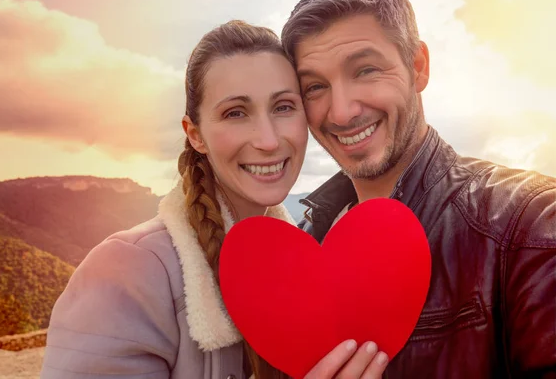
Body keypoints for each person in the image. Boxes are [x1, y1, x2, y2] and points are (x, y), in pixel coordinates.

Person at [40, 20, 389, 379]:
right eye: (235, 113)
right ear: (195, 135)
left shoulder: (297, 264)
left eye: (284, 106)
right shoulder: (126, 274)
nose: (268, 140)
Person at [281, 0, 556, 378]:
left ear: (418, 66)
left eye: (366, 70)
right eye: (315, 87)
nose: (340, 112)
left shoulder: (528, 227)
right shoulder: (311, 241)